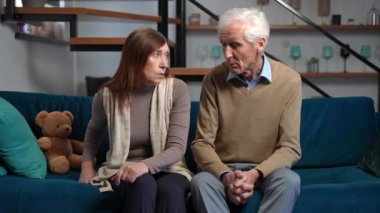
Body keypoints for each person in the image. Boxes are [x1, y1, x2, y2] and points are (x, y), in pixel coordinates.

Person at [190, 7, 302, 213]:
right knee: (200, 182)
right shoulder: (213, 79)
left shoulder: (289, 80)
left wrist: (255, 174)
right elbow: (201, 144)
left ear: (260, 43)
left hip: (268, 170)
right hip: (223, 169)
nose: (226, 54)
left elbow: (290, 148)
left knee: (290, 181)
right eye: (223, 45)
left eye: (235, 45)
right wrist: (226, 177)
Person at [78, 28, 192, 213]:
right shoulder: (107, 95)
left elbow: (177, 149)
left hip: (169, 168)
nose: (165, 64)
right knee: (143, 184)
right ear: (135, 58)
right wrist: (86, 166)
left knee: (170, 190)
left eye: (167, 55)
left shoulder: (177, 90)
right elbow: (93, 131)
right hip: (123, 168)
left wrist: (144, 165)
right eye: (156, 55)